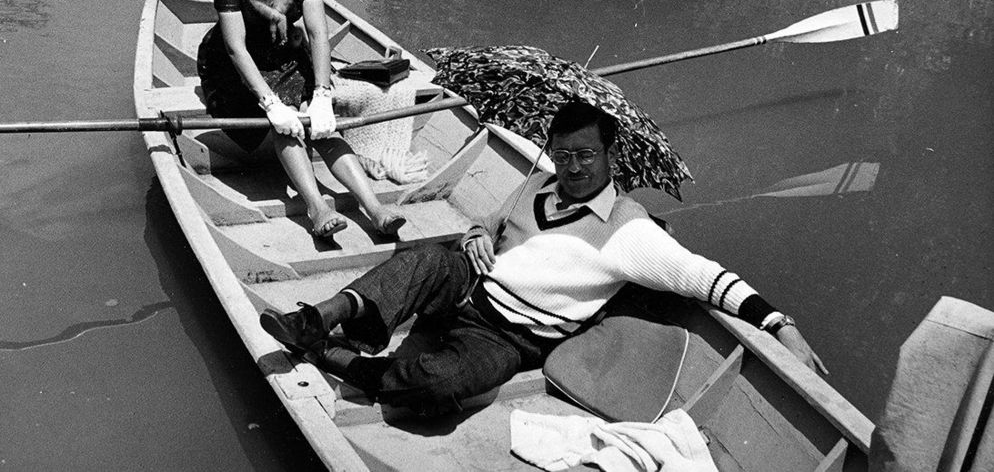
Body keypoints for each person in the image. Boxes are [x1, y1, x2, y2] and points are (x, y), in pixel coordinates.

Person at [260, 101, 826, 411]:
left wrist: (782, 324)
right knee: (422, 259)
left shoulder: (631, 231)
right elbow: (494, 223)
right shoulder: (541, 185)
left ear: (610, 157)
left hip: (508, 337)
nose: (572, 166)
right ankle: (319, 317)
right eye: (562, 154)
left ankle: (331, 354)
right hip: (470, 285)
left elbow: (709, 279)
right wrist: (476, 235)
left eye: (585, 156)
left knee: (437, 388)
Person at [197, 0, 404, 238]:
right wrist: (269, 102)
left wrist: (323, 93)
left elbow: (319, 32)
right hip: (233, 65)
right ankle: (317, 207)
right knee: (287, 120)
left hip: (285, 50)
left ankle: (375, 208)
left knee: (320, 122)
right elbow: (235, 47)